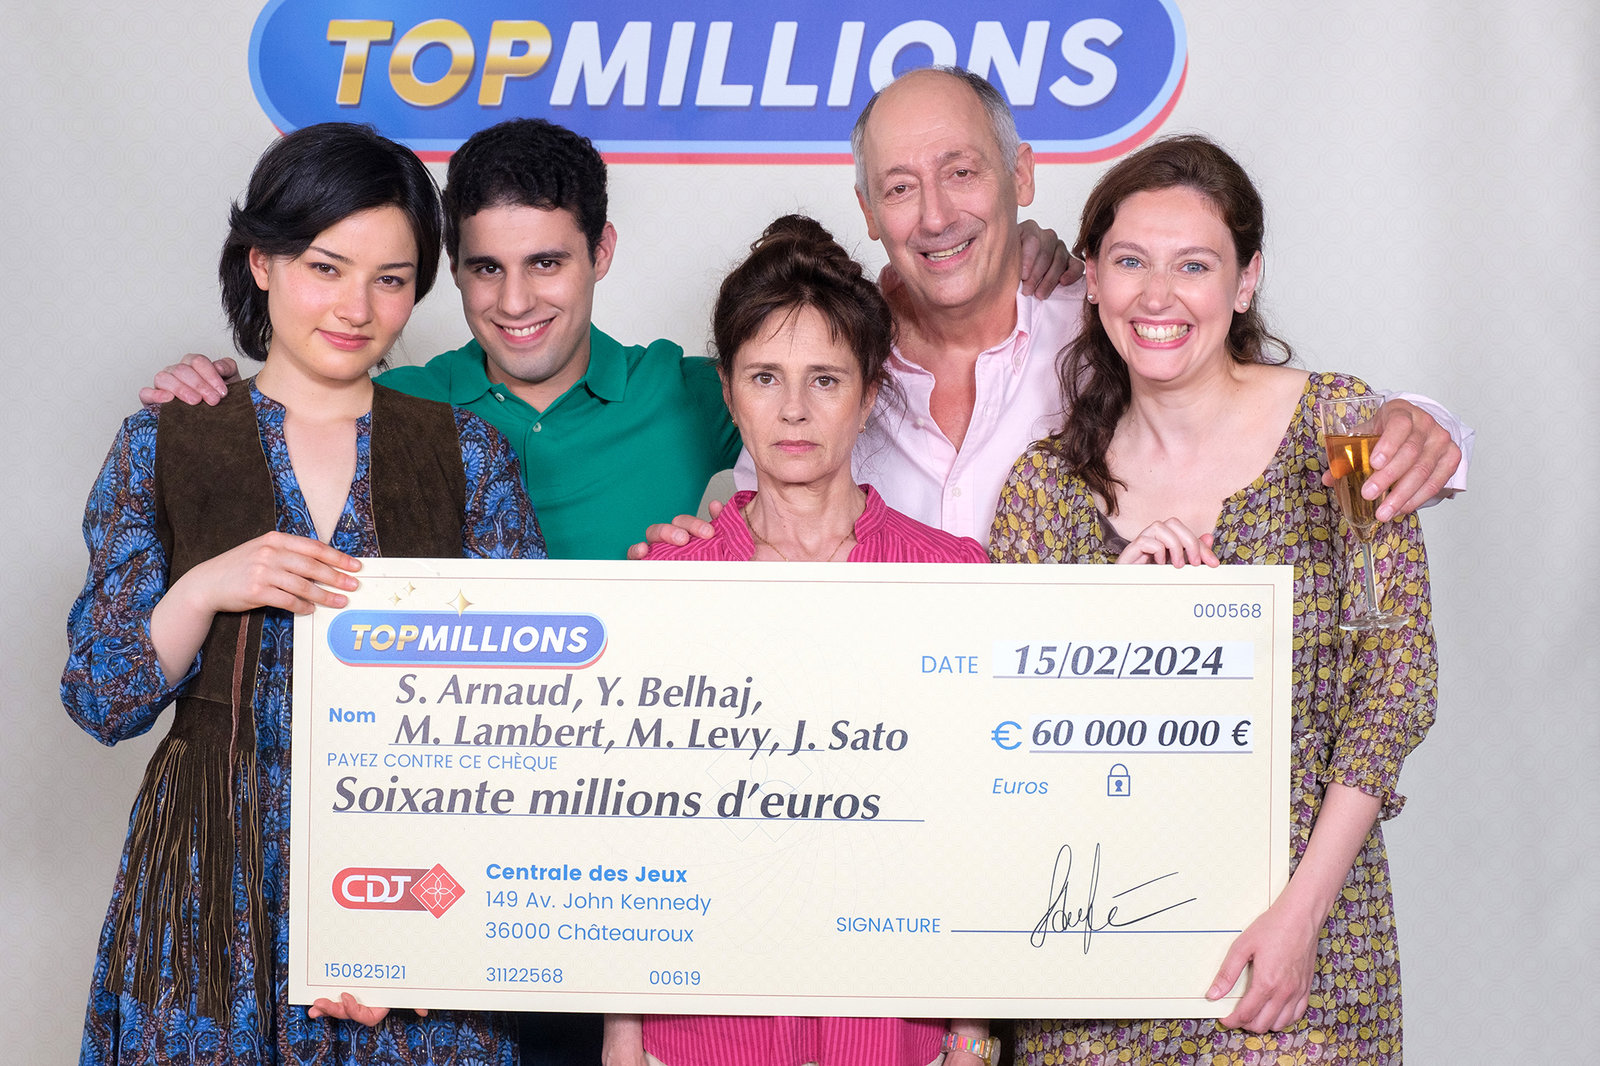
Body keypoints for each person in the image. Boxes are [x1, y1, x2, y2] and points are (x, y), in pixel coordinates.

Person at [63, 123, 543, 1065]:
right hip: (209, 881)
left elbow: (525, 729)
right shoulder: (165, 442)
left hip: (411, 880)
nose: (356, 307)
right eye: (326, 267)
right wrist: (205, 588)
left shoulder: (468, 455)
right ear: (263, 263)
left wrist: (435, 938)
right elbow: (101, 699)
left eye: (390, 279)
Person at [988, 134, 1438, 1063]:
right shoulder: (1042, 488)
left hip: (1299, 956)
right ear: (1091, 279)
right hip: (1093, 963)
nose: (1157, 296)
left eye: (1194, 265)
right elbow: (1008, 735)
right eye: (1130, 262)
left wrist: (1300, 916)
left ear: (1245, 280)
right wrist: (1109, 625)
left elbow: (1398, 681)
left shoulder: (1343, 428)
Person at [142, 119, 1074, 563]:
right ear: (452, 270)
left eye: (547, 263)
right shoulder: (403, 406)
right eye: (485, 268)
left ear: (602, 253)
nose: (515, 301)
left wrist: (1012, 261)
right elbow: (299, 403)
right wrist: (218, 385)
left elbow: (820, 346)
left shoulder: (692, 392)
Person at [641, 66, 1470, 556]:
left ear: (1022, 177)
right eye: (900, 188)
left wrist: (1419, 424)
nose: (936, 216)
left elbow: (1249, 417)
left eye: (962, 173)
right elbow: (763, 522)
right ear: (867, 211)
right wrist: (702, 553)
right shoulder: (828, 363)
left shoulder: (1112, 321)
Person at [604, 215, 991, 1066]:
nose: (793, 410)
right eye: (764, 377)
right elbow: (635, 831)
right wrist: (621, 1035)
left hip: (894, 1031)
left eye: (825, 379)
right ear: (728, 391)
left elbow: (974, 818)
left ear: (871, 391)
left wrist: (972, 1034)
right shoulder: (667, 581)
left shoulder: (952, 576)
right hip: (701, 1032)